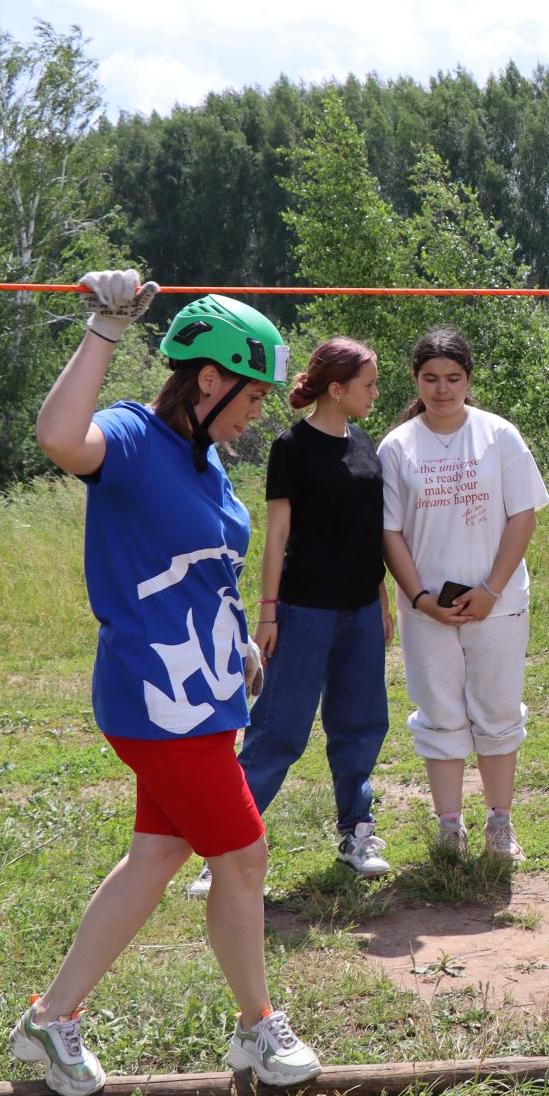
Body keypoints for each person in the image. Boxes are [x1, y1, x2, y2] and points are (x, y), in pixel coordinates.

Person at [12, 271, 320, 1096]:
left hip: (205, 692)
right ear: (209, 381)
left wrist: (237, 645)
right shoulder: (135, 438)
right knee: (245, 854)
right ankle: (257, 1028)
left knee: (155, 855)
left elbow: (200, 572)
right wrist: (105, 327)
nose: (261, 412)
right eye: (252, 395)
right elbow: (57, 436)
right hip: (154, 702)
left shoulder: (208, 462)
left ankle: (50, 1021)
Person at [184, 338, 395, 896]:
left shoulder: (367, 445)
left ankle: (357, 833)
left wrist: (382, 595)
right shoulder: (292, 447)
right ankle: (224, 852)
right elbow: (277, 536)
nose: (376, 393)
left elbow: (365, 530)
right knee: (278, 730)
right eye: (369, 383)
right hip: (302, 612)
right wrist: (269, 614)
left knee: (361, 723)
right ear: (337, 388)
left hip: (361, 613)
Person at [379, 327, 549, 859]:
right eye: (430, 378)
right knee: (440, 713)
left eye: (453, 378)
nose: (442, 389)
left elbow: (522, 516)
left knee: (497, 711)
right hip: (426, 608)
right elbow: (389, 532)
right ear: (416, 380)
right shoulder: (397, 445)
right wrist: (419, 598)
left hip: (497, 602)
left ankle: (501, 823)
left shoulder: (499, 435)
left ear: (468, 380)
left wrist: (492, 590)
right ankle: (449, 826)